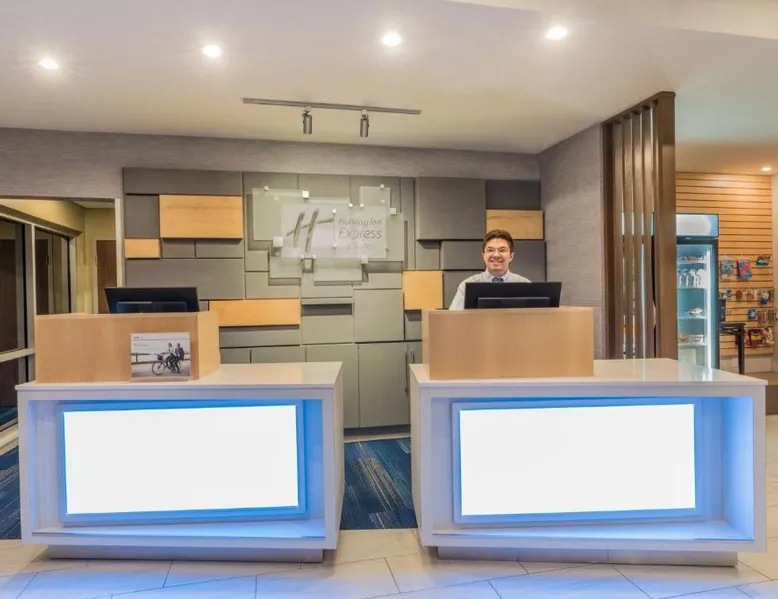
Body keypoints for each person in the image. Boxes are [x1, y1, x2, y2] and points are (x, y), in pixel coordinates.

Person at [448, 229, 531, 310]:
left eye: (502, 250)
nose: (496, 255)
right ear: (483, 256)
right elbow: (454, 317)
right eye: (490, 250)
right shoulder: (467, 286)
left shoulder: (525, 285)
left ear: (511, 256)